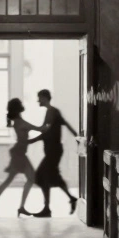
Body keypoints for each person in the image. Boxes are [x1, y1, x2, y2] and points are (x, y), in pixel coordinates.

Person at [28, 89, 80, 217]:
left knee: (40, 176)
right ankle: (68, 199)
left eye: (39, 98)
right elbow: (65, 124)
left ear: (45, 98)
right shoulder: (53, 111)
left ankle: (47, 208)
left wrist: (31, 141)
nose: (38, 101)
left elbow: (46, 132)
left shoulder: (51, 112)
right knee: (50, 176)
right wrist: (76, 136)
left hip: (53, 151)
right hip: (53, 151)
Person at [0, 98, 41, 217]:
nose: (23, 104)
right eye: (20, 104)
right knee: (30, 178)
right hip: (19, 155)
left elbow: (30, 136)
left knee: (12, 180)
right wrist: (46, 129)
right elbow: (38, 130)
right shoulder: (20, 123)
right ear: (17, 108)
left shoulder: (18, 121)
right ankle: (19, 207)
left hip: (19, 154)